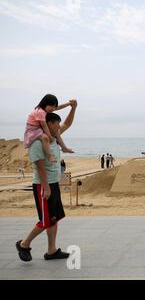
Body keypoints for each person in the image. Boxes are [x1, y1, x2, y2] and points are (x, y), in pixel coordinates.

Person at [16, 100, 78, 262]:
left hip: (52, 184)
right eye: (56, 125)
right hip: (43, 186)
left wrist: (73, 108)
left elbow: (68, 123)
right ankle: (24, 244)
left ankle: (51, 250)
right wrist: (47, 188)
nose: (59, 128)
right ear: (48, 124)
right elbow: (40, 167)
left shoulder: (53, 138)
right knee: (45, 220)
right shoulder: (38, 142)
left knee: (54, 218)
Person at [24, 94, 75, 163]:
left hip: (38, 128)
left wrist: (70, 104)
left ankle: (64, 148)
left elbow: (59, 107)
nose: (53, 109)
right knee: (45, 138)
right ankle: (50, 156)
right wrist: (49, 136)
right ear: (45, 103)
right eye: (52, 106)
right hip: (33, 130)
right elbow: (44, 126)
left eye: (54, 107)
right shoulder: (40, 112)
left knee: (57, 133)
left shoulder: (46, 110)